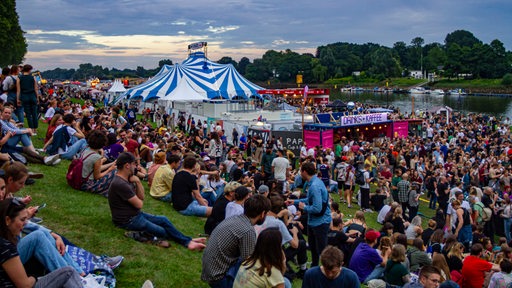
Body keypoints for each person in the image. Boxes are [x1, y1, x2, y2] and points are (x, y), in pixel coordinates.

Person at [108, 152, 205, 250]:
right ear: (127, 165)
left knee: (163, 219)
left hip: (135, 215)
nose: (136, 167)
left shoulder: (126, 179)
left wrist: (137, 182)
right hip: (128, 221)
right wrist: (137, 181)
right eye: (134, 164)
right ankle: (188, 242)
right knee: (162, 231)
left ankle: (187, 240)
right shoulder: (120, 183)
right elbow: (140, 204)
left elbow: (141, 198)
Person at [0, 198, 83, 288]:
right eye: (22, 220)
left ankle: (79, 274)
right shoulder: (6, 248)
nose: (25, 223)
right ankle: (77, 278)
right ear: (7, 220)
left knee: (41, 234)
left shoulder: (5, 243)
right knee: (68, 273)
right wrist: (35, 277)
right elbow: (25, 285)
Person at [201, 194, 271, 288]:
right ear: (262, 214)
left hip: (209, 271)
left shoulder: (234, 218)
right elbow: (249, 263)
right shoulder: (248, 230)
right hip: (219, 278)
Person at [286, 161, 331, 267]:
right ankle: (315, 266)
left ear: (305, 171)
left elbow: (317, 208)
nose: (300, 173)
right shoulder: (315, 182)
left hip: (320, 222)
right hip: (314, 222)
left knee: (321, 250)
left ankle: (327, 269)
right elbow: (310, 199)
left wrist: (304, 208)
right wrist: (295, 201)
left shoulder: (315, 186)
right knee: (314, 248)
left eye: (301, 171)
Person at [79, 130, 117, 196]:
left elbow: (96, 168)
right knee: (115, 172)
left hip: (80, 180)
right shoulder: (96, 157)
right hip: (87, 184)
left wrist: (112, 163)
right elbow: (97, 176)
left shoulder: (85, 150)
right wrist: (109, 169)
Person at [16, 65, 39, 134]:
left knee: (28, 114)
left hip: (24, 96)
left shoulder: (19, 78)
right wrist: (37, 97)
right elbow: (36, 88)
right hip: (32, 96)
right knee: (34, 113)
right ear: (29, 70)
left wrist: (18, 99)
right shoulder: (33, 78)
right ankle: (35, 129)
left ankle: (31, 129)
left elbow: (18, 90)